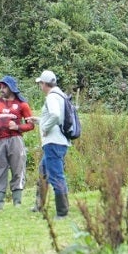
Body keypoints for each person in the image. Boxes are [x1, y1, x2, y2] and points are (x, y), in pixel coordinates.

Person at [0, 76, 34, 210]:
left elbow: (31, 125)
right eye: (0, 87)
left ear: (12, 88)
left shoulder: (22, 104)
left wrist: (18, 127)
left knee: (18, 169)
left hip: (15, 140)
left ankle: (17, 203)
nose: (1, 89)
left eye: (4, 87)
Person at [34, 70, 72, 218]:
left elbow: (55, 116)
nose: (40, 86)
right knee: (43, 170)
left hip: (53, 142)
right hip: (60, 141)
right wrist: (38, 120)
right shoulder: (60, 95)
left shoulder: (51, 97)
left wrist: (44, 127)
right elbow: (57, 117)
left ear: (44, 84)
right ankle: (39, 205)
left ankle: (62, 212)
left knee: (56, 175)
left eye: (40, 84)